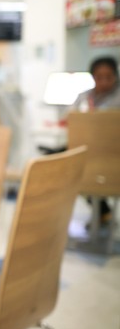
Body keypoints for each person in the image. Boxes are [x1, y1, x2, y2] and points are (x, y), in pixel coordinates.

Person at [68, 56, 120, 228]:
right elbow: (73, 120)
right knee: (61, 161)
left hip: (112, 153)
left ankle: (102, 212)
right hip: (86, 148)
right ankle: (102, 212)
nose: (104, 82)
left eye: (109, 77)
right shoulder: (84, 97)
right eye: (99, 77)